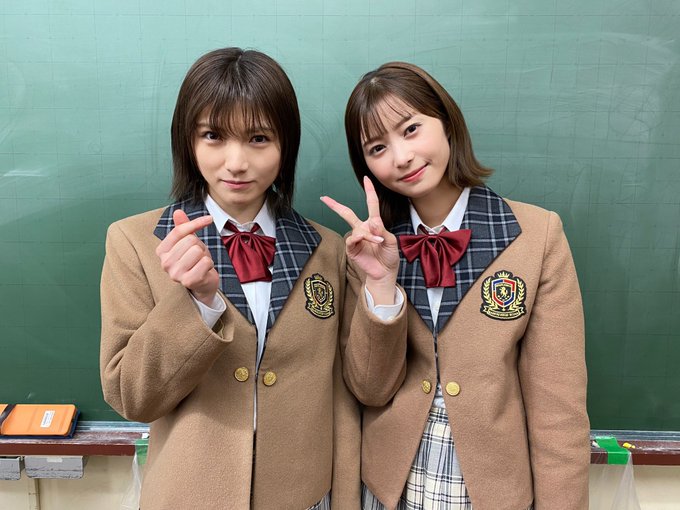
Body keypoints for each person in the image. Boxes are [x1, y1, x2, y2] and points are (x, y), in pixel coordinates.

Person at [100, 48, 360, 510]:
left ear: (286, 145)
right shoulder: (134, 241)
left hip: (303, 493)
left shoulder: (329, 248)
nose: (236, 162)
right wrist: (197, 303)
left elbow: (341, 393)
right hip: (189, 494)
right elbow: (132, 398)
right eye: (213, 136)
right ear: (188, 141)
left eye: (259, 138)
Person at [321, 62, 589, 510]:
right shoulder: (369, 248)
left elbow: (559, 410)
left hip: (490, 490)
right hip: (389, 488)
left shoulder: (536, 236)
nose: (401, 157)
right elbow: (370, 389)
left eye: (411, 129)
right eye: (377, 147)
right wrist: (381, 286)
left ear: (446, 122)